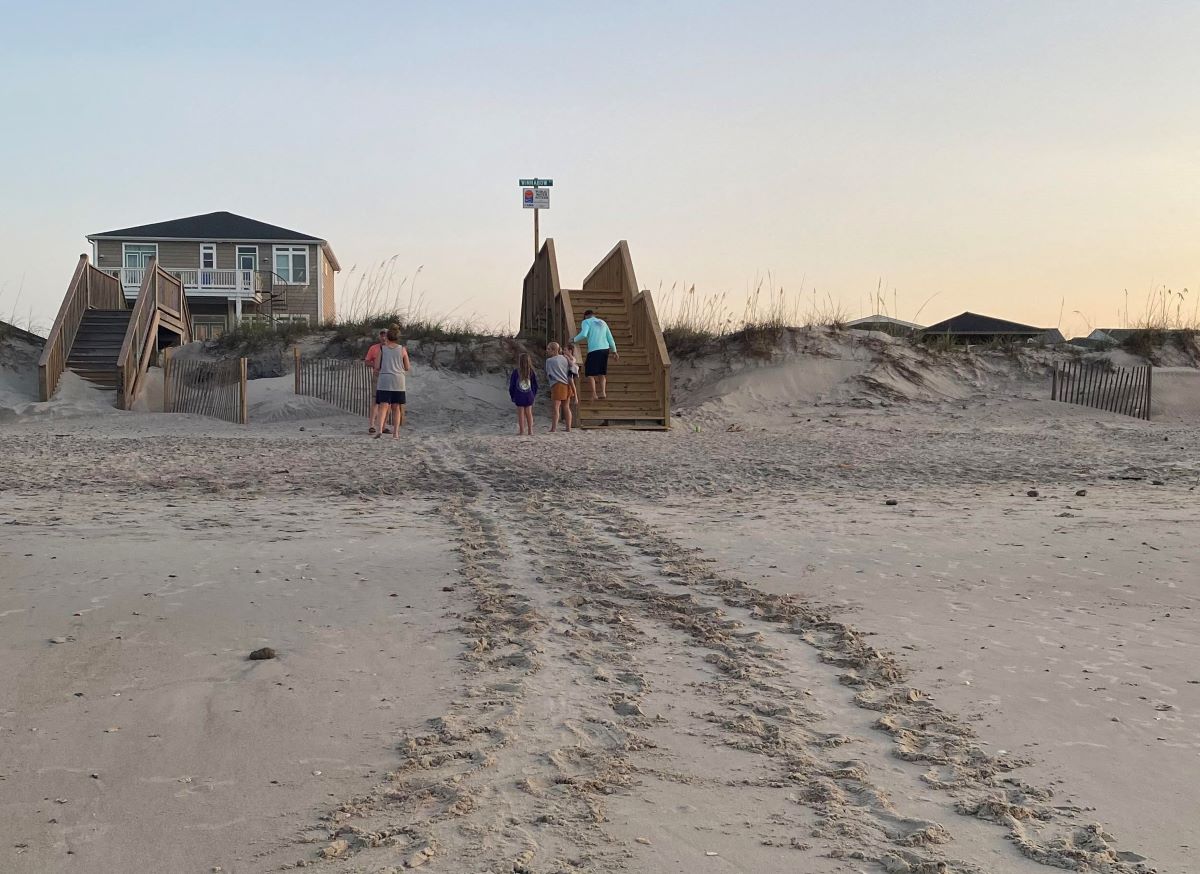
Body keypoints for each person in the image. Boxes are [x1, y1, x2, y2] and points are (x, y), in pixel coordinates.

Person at [370, 325, 411, 439]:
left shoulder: (382, 349)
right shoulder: (402, 349)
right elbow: (407, 367)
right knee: (396, 407)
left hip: (384, 380)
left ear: (387, 337)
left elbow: (377, 366)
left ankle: (379, 430)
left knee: (383, 405)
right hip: (398, 380)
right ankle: (396, 433)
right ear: (398, 337)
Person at [572, 309, 619, 401]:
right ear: (593, 315)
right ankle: (603, 392)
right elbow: (610, 338)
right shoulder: (603, 322)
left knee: (590, 373)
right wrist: (614, 351)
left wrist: (574, 340)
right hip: (605, 349)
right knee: (601, 372)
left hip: (594, 350)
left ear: (585, 316)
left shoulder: (586, 322)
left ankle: (594, 394)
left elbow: (583, 334)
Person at [364, 328, 390, 434]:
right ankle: (372, 426)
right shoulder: (374, 348)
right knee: (375, 401)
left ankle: (383, 426)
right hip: (377, 376)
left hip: (389, 377)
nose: (384, 337)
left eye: (386, 335)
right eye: (382, 335)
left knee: (387, 402)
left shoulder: (392, 348)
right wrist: (376, 365)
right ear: (379, 336)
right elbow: (366, 362)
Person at [544, 342, 573, 432]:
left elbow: (549, 374)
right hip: (567, 384)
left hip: (557, 385)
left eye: (549, 349)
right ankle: (568, 427)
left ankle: (554, 428)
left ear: (554, 350)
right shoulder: (565, 358)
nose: (547, 350)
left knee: (556, 408)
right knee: (566, 407)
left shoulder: (549, 361)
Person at [508, 352, 538, 436]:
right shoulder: (531, 372)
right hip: (529, 395)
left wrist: (512, 395)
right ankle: (530, 431)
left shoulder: (516, 372)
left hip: (519, 395)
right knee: (529, 413)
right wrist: (533, 394)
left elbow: (512, 385)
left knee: (521, 413)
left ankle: (521, 431)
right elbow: (535, 385)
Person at [563, 342, 581, 412]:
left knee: (570, 381)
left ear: (570, 351)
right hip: (569, 372)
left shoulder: (573, 358)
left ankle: (576, 396)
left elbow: (571, 364)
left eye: (565, 350)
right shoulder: (565, 357)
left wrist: (567, 357)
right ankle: (574, 393)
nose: (563, 352)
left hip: (572, 372)